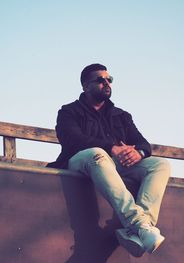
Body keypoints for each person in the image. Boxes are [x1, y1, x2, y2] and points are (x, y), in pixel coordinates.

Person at [48, 63, 170, 257]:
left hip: (112, 166)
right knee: (98, 152)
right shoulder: (68, 112)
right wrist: (111, 147)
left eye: (109, 79)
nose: (106, 83)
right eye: (100, 80)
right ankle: (138, 223)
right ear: (86, 86)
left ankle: (140, 227)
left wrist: (139, 153)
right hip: (80, 162)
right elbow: (73, 140)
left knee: (160, 165)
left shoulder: (121, 115)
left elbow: (143, 143)